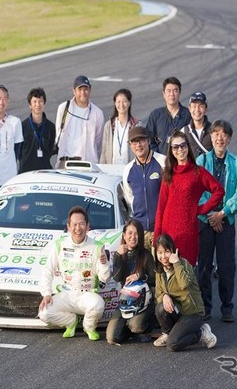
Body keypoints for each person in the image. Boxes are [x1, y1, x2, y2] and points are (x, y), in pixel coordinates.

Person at [196, 120, 237, 323]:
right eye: (216, 133)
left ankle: (227, 306)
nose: (220, 137)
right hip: (205, 221)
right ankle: (205, 306)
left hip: (226, 221)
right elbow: (196, 191)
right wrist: (211, 215)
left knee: (226, 267)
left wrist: (222, 213)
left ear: (229, 138)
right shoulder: (201, 161)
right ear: (211, 136)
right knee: (204, 267)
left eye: (224, 134)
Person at [38, 206, 111, 341]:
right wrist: (47, 294)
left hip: (87, 294)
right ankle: (71, 322)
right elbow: (48, 269)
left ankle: (89, 327)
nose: (78, 228)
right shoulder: (60, 244)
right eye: (74, 224)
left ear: (88, 226)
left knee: (98, 305)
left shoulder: (97, 246)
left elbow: (104, 278)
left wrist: (104, 263)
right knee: (44, 312)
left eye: (82, 224)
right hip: (67, 294)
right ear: (68, 226)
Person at [153, 130, 225, 266]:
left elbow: (219, 191)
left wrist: (202, 209)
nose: (180, 149)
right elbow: (161, 207)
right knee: (169, 273)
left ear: (187, 147)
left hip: (188, 232)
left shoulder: (198, 172)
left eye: (183, 145)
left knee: (186, 274)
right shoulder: (168, 173)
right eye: (175, 147)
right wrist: (156, 238)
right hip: (168, 231)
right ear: (171, 150)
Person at [153, 234, 217, 351]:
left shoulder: (184, 264)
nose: (163, 257)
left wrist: (176, 263)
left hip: (192, 313)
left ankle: (201, 333)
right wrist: (164, 296)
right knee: (160, 307)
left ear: (173, 250)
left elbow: (184, 284)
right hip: (177, 311)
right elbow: (158, 294)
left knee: (172, 345)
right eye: (159, 252)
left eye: (166, 251)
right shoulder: (159, 270)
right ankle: (168, 333)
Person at [106, 219, 155, 345]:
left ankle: (145, 327)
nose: (133, 237)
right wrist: (118, 256)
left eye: (136, 234)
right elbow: (117, 278)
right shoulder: (120, 254)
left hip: (143, 302)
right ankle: (128, 327)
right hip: (125, 302)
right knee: (112, 338)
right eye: (130, 233)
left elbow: (155, 279)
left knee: (136, 326)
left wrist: (139, 276)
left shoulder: (146, 255)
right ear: (124, 235)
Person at [121, 125, 166, 248]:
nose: (138, 145)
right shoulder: (128, 170)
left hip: (161, 228)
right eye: (134, 142)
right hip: (140, 231)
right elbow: (130, 198)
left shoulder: (163, 162)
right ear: (130, 145)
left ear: (148, 141)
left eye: (141, 140)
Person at [54, 75, 104, 166]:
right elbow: (59, 133)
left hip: (88, 164)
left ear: (90, 90)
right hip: (65, 162)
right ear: (74, 91)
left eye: (86, 89)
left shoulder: (97, 113)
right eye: (79, 90)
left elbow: (98, 142)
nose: (83, 93)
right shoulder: (63, 108)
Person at [146, 77, 191, 155]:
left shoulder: (188, 114)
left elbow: (192, 140)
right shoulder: (156, 115)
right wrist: (158, 157)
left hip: (182, 161)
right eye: (169, 91)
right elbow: (149, 140)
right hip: (160, 163)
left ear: (179, 93)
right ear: (163, 94)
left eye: (175, 91)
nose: (172, 94)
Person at [19, 87, 56, 173]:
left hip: (45, 171)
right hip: (25, 172)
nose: (38, 105)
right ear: (30, 105)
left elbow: (50, 150)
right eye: (34, 102)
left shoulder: (50, 127)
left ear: (44, 104)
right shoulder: (22, 126)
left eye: (40, 101)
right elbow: (18, 152)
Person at [100, 88, 138, 164]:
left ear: (129, 103)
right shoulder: (109, 125)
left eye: (125, 101)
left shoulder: (136, 125)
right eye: (118, 102)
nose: (121, 105)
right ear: (115, 103)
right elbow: (104, 150)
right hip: (111, 170)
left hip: (130, 169)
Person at [182, 91, 212, 159]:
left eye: (201, 106)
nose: (197, 110)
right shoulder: (183, 132)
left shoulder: (214, 131)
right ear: (189, 108)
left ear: (206, 109)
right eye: (194, 106)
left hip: (209, 170)